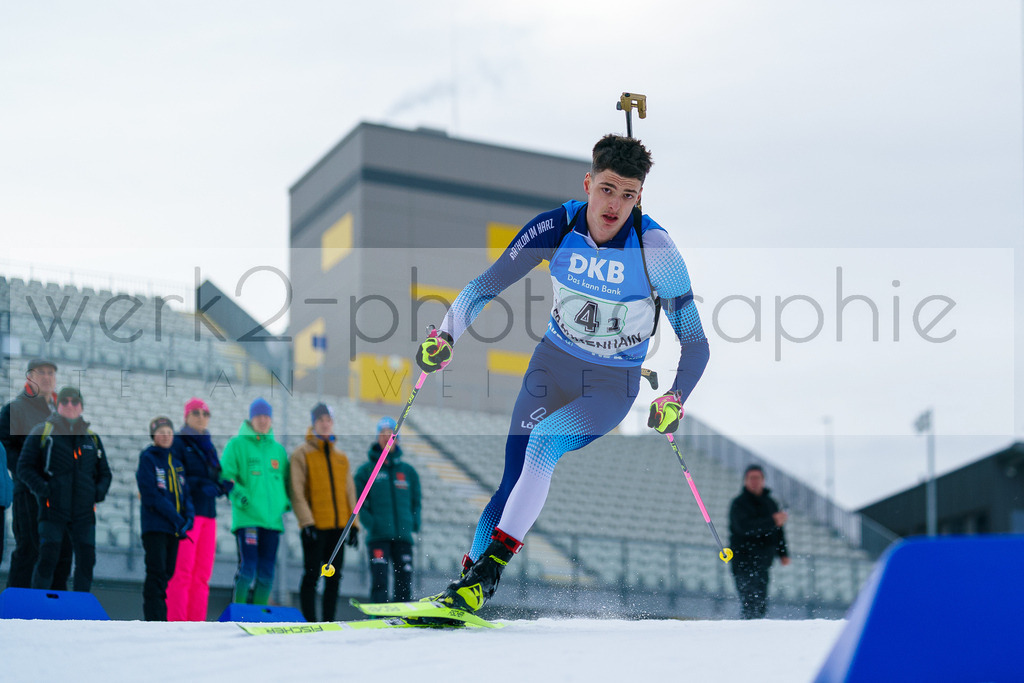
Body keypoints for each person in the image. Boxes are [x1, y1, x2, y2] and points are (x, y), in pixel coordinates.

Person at [417, 135, 710, 612]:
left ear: (640, 198)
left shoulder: (656, 250)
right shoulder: (556, 226)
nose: (615, 205)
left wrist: (676, 395)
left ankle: (486, 576)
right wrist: (446, 335)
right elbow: (485, 285)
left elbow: (695, 341)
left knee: (546, 442)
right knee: (511, 481)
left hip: (610, 384)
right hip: (552, 365)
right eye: (608, 189)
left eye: (629, 194)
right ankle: (466, 585)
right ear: (589, 183)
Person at [17, 386, 111, 592]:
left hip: (84, 513)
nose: (70, 405)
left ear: (81, 406)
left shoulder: (92, 439)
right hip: (52, 510)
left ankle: (80, 607)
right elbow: (24, 467)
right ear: (57, 405)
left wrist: (97, 494)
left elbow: (105, 474)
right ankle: (39, 606)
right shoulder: (43, 432)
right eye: (65, 401)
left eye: (75, 402)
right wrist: (44, 489)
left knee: (87, 559)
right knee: (48, 557)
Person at [0, 358, 72, 589]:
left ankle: (53, 609)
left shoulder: (64, 412)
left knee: (60, 550)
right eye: (41, 372)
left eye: (51, 372)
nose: (47, 377)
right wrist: (26, 474)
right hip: (29, 491)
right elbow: (5, 447)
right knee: (29, 549)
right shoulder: (15, 409)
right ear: (29, 377)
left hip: (59, 494)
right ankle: (18, 610)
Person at [289, 403, 359, 621]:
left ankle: (329, 620)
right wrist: (306, 523)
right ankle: (309, 621)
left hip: (338, 527)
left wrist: (354, 526)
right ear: (313, 423)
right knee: (311, 575)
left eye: (328, 420)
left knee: (334, 577)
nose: (325, 423)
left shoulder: (341, 458)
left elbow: (350, 492)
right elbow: (296, 491)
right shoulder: (302, 454)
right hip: (315, 527)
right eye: (321, 420)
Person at [219, 398, 290, 605]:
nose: (263, 420)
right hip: (248, 518)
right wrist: (242, 498)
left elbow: (286, 482)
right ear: (251, 419)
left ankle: (258, 616)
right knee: (248, 568)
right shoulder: (237, 445)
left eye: (266, 416)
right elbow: (226, 476)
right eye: (258, 416)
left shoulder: (278, 450)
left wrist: (284, 504)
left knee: (267, 572)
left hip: (272, 522)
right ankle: (239, 610)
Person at [167, 397, 227, 621]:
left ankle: (197, 623)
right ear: (186, 417)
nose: (201, 417)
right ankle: (177, 622)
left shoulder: (208, 445)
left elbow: (214, 475)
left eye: (205, 413)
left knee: (202, 574)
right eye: (195, 413)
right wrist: (202, 485)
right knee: (182, 572)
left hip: (208, 515)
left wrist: (222, 486)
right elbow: (177, 477)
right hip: (188, 515)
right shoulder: (179, 442)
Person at [354, 416, 421, 604]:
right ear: (377, 437)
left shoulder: (408, 472)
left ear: (397, 439)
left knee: (404, 581)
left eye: (391, 433)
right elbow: (356, 500)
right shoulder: (366, 471)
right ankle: (378, 618)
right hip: (378, 537)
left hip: (403, 536)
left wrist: (414, 523)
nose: (386, 437)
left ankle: (401, 618)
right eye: (382, 433)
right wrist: (371, 523)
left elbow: (416, 501)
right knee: (379, 580)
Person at [137, 417, 195, 621]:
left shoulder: (177, 463)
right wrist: (176, 517)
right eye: (161, 432)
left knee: (168, 573)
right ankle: (155, 618)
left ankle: (160, 617)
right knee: (157, 572)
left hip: (173, 529)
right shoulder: (148, 458)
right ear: (154, 435)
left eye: (169, 432)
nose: (165, 436)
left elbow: (185, 493)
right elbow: (151, 495)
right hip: (155, 527)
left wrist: (189, 517)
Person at [728, 464, 790, 619]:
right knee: (750, 602)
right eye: (751, 478)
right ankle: (747, 634)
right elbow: (743, 528)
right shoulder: (738, 503)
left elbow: (779, 530)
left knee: (761, 602)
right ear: (745, 481)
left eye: (758, 478)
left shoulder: (771, 503)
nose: (754, 481)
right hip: (743, 560)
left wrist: (783, 553)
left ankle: (756, 635)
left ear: (763, 480)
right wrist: (772, 521)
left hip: (763, 561)